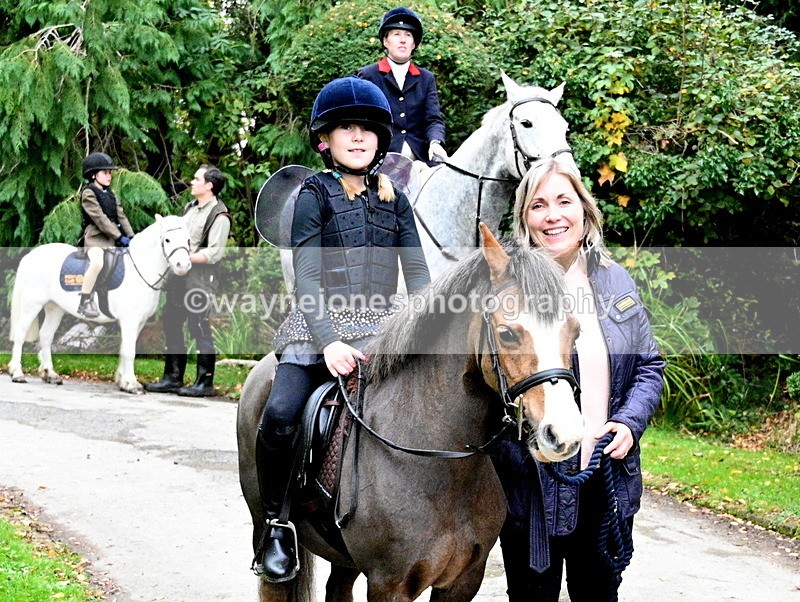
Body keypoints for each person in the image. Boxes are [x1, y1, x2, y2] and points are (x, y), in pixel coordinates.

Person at [251, 76, 430, 582]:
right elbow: (307, 278)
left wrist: (427, 328)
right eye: (344, 129)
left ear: (380, 139)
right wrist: (328, 341)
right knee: (282, 413)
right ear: (325, 140)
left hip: (380, 324)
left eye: (367, 130)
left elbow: (417, 275)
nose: (357, 137)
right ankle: (278, 524)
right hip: (315, 327)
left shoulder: (396, 199)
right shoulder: (313, 194)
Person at [492, 156, 665, 601]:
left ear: (585, 211)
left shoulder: (615, 282)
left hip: (605, 477)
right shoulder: (509, 290)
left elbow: (649, 365)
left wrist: (628, 422)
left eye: (564, 201)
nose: (553, 215)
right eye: (539, 205)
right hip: (533, 484)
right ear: (524, 219)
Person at [144, 164, 231, 397]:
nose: (192, 182)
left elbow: (215, 253)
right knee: (171, 322)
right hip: (178, 276)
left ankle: (205, 383)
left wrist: (186, 258)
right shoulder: (189, 208)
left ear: (209, 185)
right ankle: (172, 378)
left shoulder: (219, 216)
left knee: (199, 326)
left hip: (200, 279)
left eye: (196, 179)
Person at [358, 6, 448, 165]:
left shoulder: (426, 78)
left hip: (421, 156)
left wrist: (435, 142)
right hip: (380, 157)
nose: (403, 40)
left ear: (414, 44)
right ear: (386, 41)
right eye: (396, 34)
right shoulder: (369, 75)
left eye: (408, 35)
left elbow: (433, 119)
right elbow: (362, 120)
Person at [78, 152, 136, 318]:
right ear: (94, 174)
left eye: (110, 172)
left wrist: (131, 237)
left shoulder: (111, 194)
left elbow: (121, 215)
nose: (109, 176)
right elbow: (100, 219)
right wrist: (119, 237)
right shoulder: (88, 193)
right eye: (105, 172)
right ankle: (85, 300)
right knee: (96, 263)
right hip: (95, 239)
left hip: (112, 239)